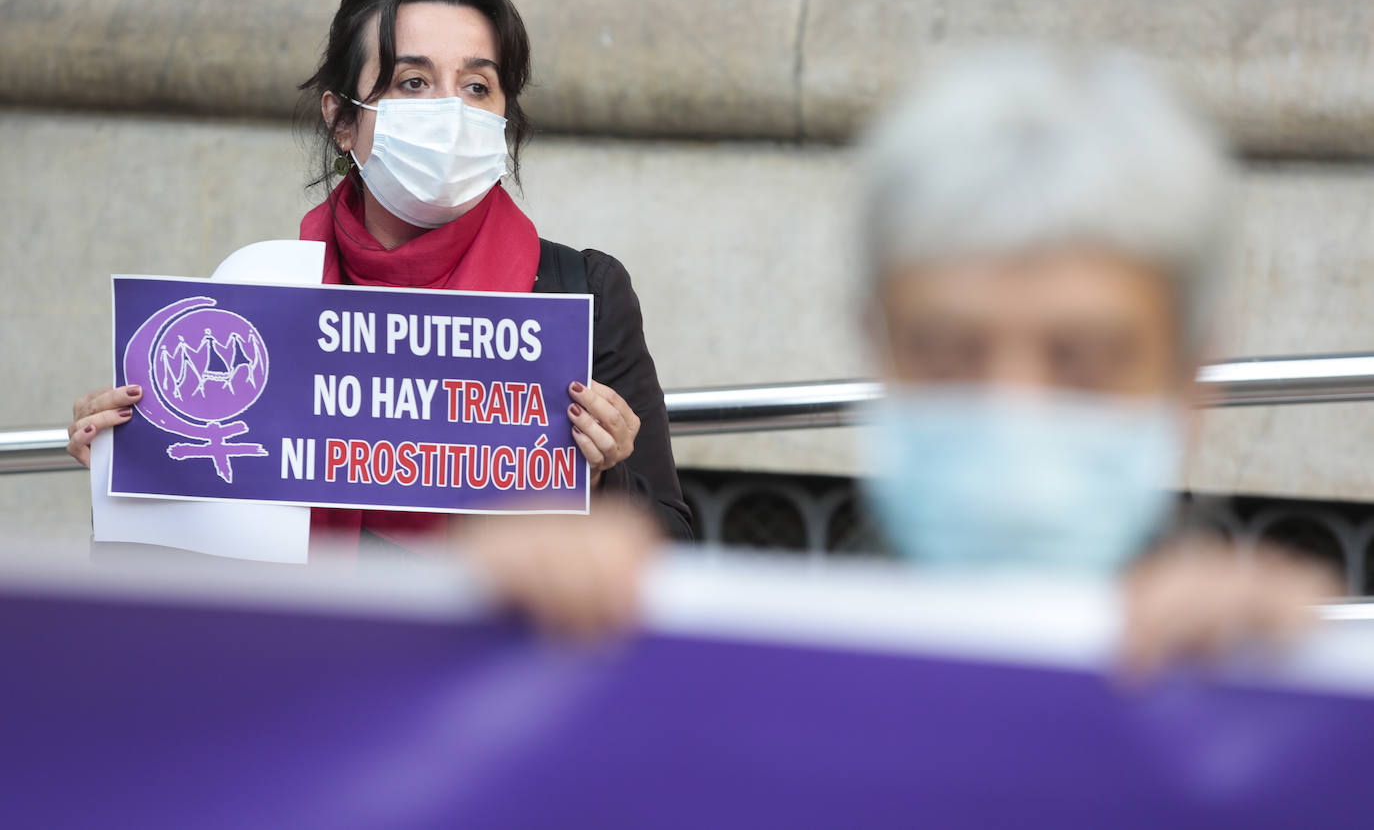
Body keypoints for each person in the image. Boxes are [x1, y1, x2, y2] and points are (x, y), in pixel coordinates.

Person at [413, 43, 1341, 675]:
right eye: (950, 351)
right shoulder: (726, 681)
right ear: (878, 345)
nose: (1011, 407)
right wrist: (531, 670)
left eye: (1082, 359)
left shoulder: (1272, 701)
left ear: (1189, 379)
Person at [65, 0, 692, 551]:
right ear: (341, 119)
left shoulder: (580, 293)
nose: (450, 111)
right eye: (412, 82)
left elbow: (667, 550)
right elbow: (185, 568)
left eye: (477, 86)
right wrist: (131, 467)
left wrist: (606, 476)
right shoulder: (258, 303)